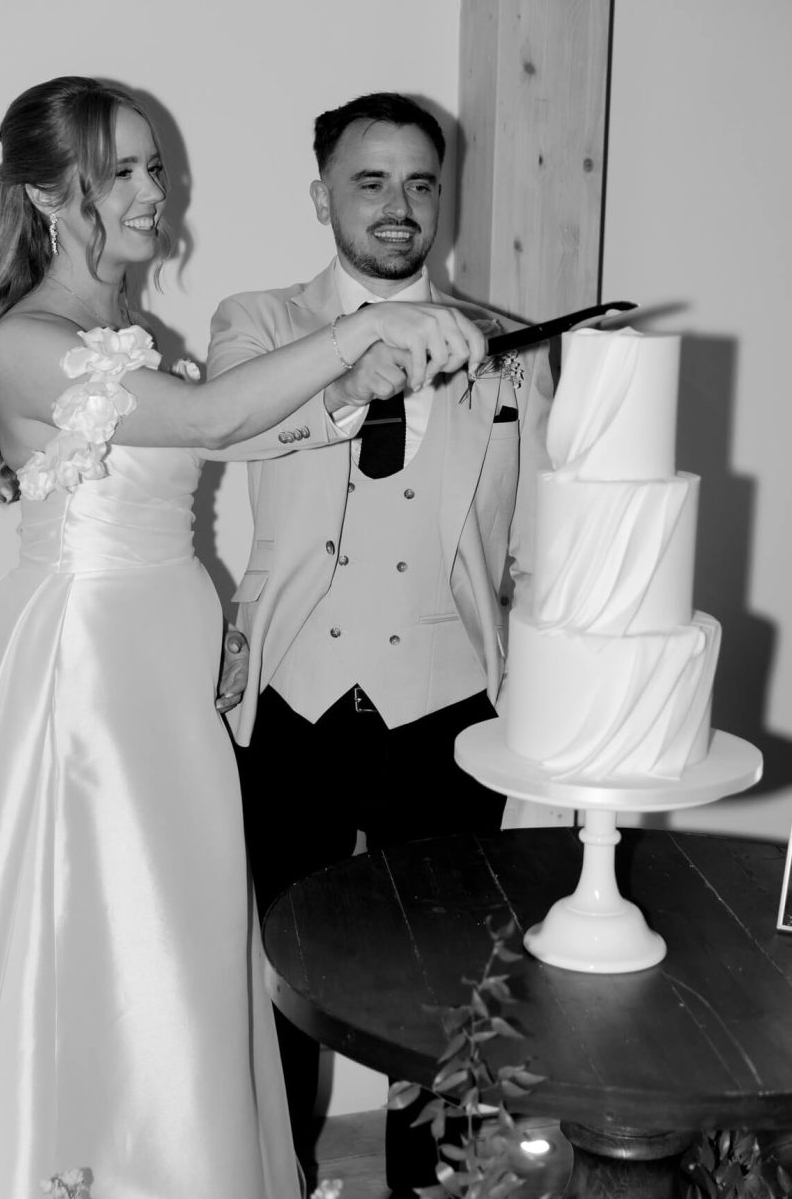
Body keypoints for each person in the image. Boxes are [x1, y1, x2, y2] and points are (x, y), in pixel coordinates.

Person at [0, 77, 485, 1199]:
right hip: (90, 676)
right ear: (41, 192)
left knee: (181, 940)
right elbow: (211, 417)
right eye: (119, 170)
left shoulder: (127, 334)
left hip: (163, 672)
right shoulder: (28, 341)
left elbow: (238, 440)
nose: (151, 191)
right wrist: (366, 323)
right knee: (111, 928)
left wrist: (353, 384)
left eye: (153, 165)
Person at [206, 92, 555, 1195]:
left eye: (417, 182)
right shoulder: (258, 322)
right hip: (291, 693)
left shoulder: (507, 345)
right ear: (321, 195)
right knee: (277, 966)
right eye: (369, 181)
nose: (397, 206)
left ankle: (427, 1183)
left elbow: (540, 533)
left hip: (450, 697)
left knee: (448, 977)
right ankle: (279, 1171)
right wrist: (354, 364)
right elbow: (231, 419)